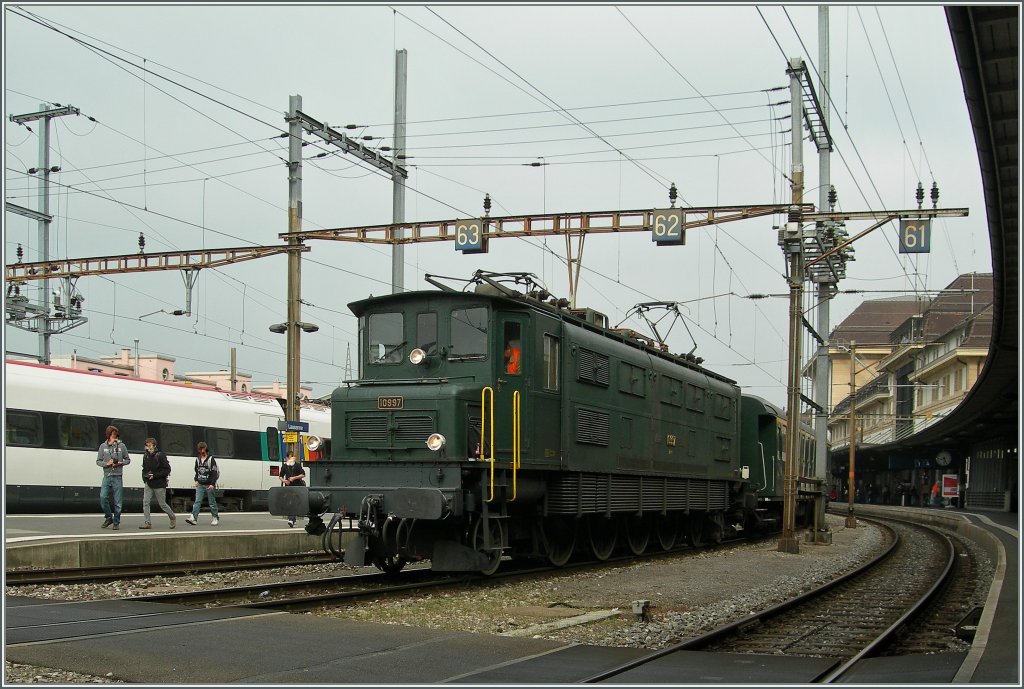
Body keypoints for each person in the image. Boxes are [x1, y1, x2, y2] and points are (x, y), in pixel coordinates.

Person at [96, 425, 131, 530]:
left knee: (118, 501)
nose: (114, 437)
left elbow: (128, 460)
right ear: (108, 435)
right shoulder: (103, 446)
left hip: (117, 476)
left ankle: (116, 522)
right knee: (103, 497)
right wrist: (106, 464)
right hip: (107, 475)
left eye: (116, 435)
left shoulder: (122, 446)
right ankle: (108, 517)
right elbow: (98, 461)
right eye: (113, 435)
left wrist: (120, 463)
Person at [140, 437, 176, 529]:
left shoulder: (160, 455)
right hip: (149, 483)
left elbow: (167, 469)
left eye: (150, 445)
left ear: (154, 446)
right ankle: (147, 523)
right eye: (146, 445)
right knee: (146, 502)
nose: (148, 447)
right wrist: (145, 477)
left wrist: (154, 475)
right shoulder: (146, 456)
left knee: (162, 504)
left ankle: (172, 517)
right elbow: (144, 468)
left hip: (159, 484)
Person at [185, 442, 220, 525]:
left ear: (205, 449)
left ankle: (215, 517)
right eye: (200, 449)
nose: (201, 451)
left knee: (211, 502)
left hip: (209, 484)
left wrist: (212, 484)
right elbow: (197, 471)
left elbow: (214, 473)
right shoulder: (197, 459)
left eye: (203, 449)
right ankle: (193, 518)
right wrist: (196, 480)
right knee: (197, 501)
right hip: (200, 484)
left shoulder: (211, 459)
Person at [279, 450, 306, 527]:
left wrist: (294, 478)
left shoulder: (297, 465)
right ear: (286, 458)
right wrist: (284, 481)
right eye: (289, 457)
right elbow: (280, 476)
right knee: (289, 502)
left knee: (293, 502)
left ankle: (291, 519)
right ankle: (292, 519)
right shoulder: (284, 466)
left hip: (297, 486)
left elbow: (303, 474)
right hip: (288, 486)